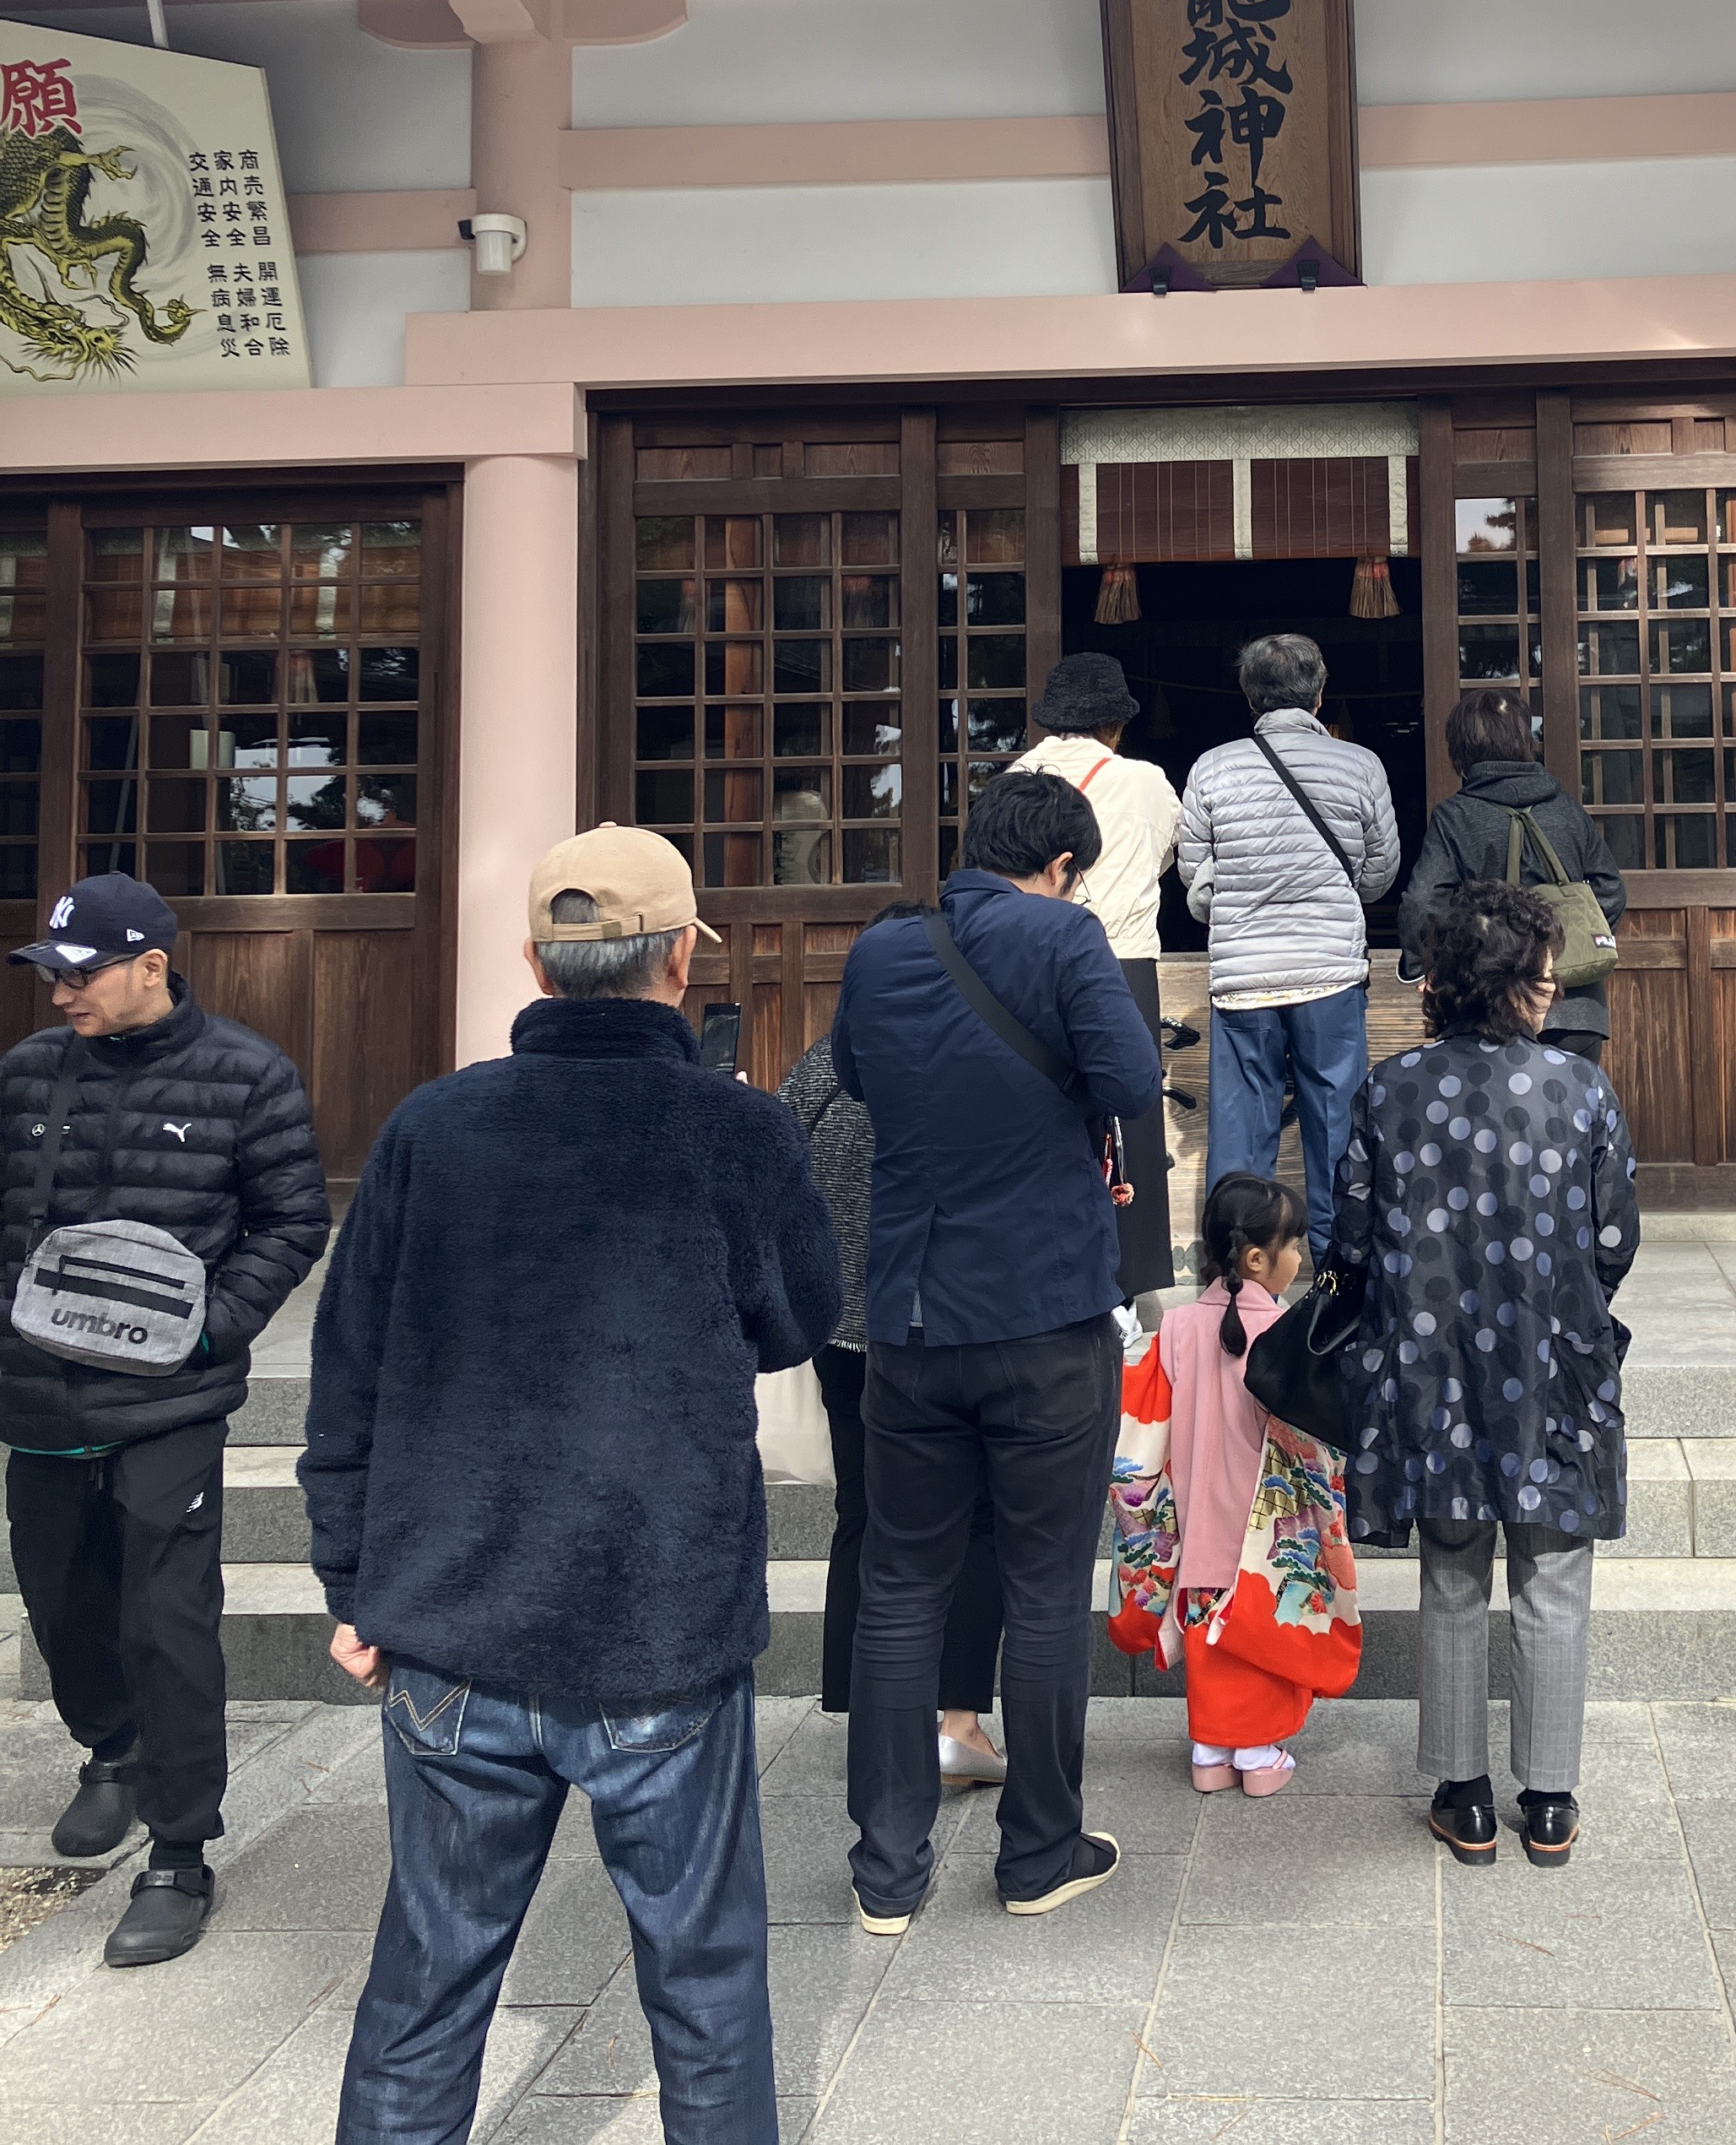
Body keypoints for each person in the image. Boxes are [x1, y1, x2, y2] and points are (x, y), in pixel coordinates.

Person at [305, 825, 840, 2145]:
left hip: (446, 1620)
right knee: (706, 1990)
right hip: (656, 1616)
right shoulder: (739, 1130)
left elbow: (346, 1371)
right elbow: (802, 1319)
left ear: (536, 963)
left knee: (426, 1986)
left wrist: (349, 1583)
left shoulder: (432, 1125)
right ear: (680, 963)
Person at [830, 769, 1163, 1930]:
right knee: (1042, 1587)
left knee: (901, 1586)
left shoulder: (882, 950)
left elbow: (861, 1079)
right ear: (1065, 864)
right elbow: (1128, 1081)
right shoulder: (1066, 940)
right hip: (1044, 1312)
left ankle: (883, 1871)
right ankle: (1038, 1854)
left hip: (912, 1317)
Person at [1, 871, 327, 1969]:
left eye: (81, 976)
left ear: (152, 964)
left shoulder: (246, 1075)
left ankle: (180, 1850)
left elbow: (293, 1218)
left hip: (169, 1404)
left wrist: (214, 1326)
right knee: (59, 1601)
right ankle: (111, 1746)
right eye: (51, 977)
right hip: (37, 1394)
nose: (62, 998)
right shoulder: (27, 1078)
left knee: (169, 1620)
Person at [1332, 880, 1639, 1873]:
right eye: (1544, 971)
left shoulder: (1390, 1089)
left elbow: (1354, 1235)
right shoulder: (1580, 1089)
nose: (1555, 987)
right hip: (1552, 1362)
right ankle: (1547, 1801)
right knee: (1554, 1568)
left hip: (1435, 1364)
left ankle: (1463, 1796)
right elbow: (1614, 1238)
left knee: (1452, 1567)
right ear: (1512, 982)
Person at [779, 1033, 1007, 1785]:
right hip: (936, 1322)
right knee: (974, 1515)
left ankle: (867, 1723)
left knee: (863, 1512)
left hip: (838, 1328)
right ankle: (959, 1724)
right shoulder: (942, 1061)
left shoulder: (815, 1069)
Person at [1107, 1170, 1358, 1796]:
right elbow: (1316, 1440)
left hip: (1194, 1525)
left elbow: (1145, 1433)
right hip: (1263, 1530)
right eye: (1293, 1246)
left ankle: (1209, 1750)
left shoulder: (1178, 1329)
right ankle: (1256, 1754)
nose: (1300, 1257)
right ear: (1255, 1257)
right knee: (1257, 1636)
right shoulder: (1283, 1333)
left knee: (1207, 1636)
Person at [1178, 632, 1399, 1259]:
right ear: (1320, 694)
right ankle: (1335, 1277)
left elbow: (1195, 883)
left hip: (1244, 982)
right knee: (1335, 1132)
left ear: (1249, 696)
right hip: (1329, 974)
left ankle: (1237, 1278)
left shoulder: (1212, 768)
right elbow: (1380, 874)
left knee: (1241, 1137)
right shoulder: (1361, 765)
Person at [1009, 649, 1183, 1309]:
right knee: (1130, 1110)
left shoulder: (1015, 778)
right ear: (1116, 723)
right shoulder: (1144, 780)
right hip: (1124, 957)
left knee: (1043, 1109)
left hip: (1030, 957)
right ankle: (1129, 1281)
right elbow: (1168, 852)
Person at [1397, 685, 1629, 1065]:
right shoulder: (1567, 809)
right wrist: (1560, 953)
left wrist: (1427, 967)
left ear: (1461, 749)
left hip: (1488, 1008)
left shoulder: (1456, 817)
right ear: (1525, 741)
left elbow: (1423, 903)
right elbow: (1611, 891)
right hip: (1575, 1008)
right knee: (1571, 1116)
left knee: (1494, 1118)